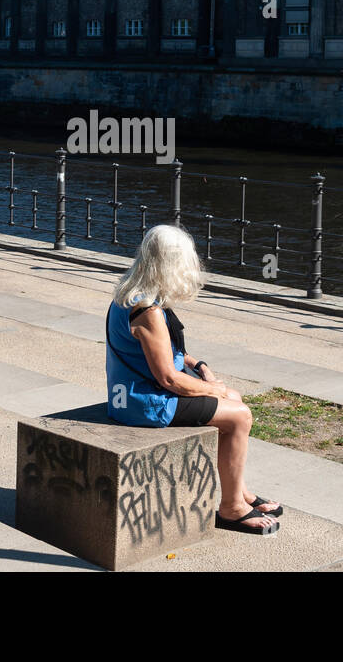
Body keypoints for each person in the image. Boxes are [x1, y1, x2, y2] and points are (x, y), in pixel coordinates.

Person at [106, 224, 283, 535]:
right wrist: (212, 388)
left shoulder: (133, 292)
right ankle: (231, 509)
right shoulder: (147, 310)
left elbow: (158, 353)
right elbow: (168, 379)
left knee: (234, 400)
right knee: (239, 415)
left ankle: (238, 489)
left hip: (131, 394)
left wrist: (196, 364)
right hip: (144, 404)